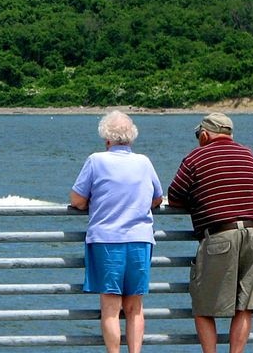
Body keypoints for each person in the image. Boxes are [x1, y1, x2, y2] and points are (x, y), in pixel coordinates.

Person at [167, 113, 253, 353]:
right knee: (245, 306)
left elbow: (175, 196)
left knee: (203, 306)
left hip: (220, 235)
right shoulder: (248, 154)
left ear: (204, 135)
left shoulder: (195, 157)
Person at [69, 110, 164, 353]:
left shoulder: (96, 160)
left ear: (106, 138)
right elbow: (157, 198)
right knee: (135, 308)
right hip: (140, 240)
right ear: (131, 136)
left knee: (110, 308)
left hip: (106, 240)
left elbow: (78, 200)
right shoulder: (144, 162)